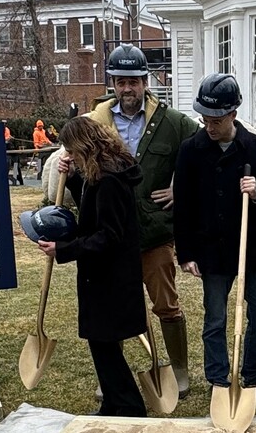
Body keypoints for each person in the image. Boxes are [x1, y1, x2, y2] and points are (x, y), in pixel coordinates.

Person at [83, 44, 201, 395]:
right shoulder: (95, 123)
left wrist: (181, 189)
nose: (127, 89)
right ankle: (115, 377)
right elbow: (74, 152)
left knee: (166, 303)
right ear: (113, 83)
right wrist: (65, 162)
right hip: (111, 233)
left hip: (153, 232)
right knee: (114, 307)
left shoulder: (172, 122)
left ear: (145, 81)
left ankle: (178, 370)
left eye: (133, 81)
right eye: (120, 81)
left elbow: (200, 155)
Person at [173, 73, 256, 397]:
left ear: (233, 114)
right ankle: (219, 380)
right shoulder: (191, 151)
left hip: (253, 247)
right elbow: (183, 206)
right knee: (215, 320)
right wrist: (187, 253)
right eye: (205, 119)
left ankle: (253, 373)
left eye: (216, 120)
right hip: (212, 248)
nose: (209, 126)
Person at [38, 116, 148, 418]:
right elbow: (93, 206)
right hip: (105, 274)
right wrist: (74, 178)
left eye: (72, 150)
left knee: (104, 344)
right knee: (102, 344)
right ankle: (114, 401)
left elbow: (108, 235)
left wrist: (63, 249)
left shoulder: (110, 180)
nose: (70, 156)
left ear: (86, 146)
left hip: (109, 276)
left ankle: (129, 407)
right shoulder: (104, 172)